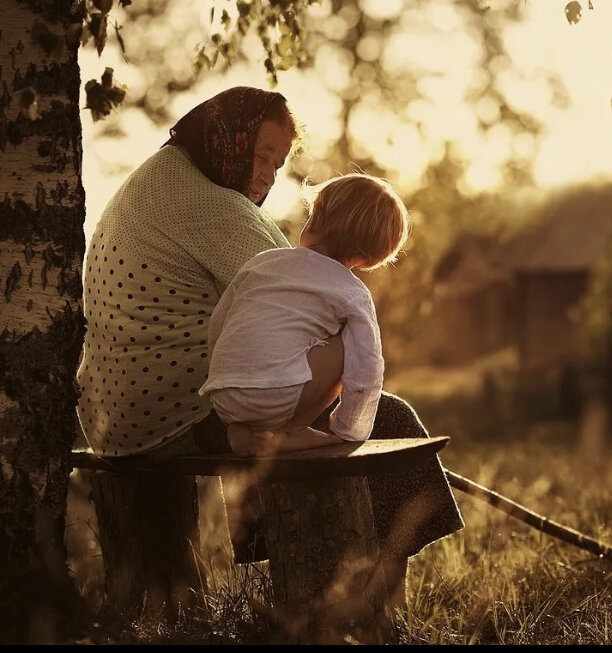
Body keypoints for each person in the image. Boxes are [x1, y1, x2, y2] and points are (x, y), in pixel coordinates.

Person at [76, 86, 463, 608]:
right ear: (228, 139)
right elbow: (308, 295)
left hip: (114, 413)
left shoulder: (162, 177)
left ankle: (343, 582)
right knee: (387, 418)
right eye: (260, 156)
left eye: (277, 165)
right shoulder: (212, 207)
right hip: (174, 416)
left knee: (283, 389)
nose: (266, 176)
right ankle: (370, 602)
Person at [200, 173, 411, 457]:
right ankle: (291, 429)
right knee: (348, 344)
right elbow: (367, 367)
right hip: (277, 398)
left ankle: (244, 432)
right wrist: (350, 430)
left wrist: (224, 374)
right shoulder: (352, 291)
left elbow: (218, 324)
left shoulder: (260, 263)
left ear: (314, 219)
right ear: (367, 258)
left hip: (223, 395)